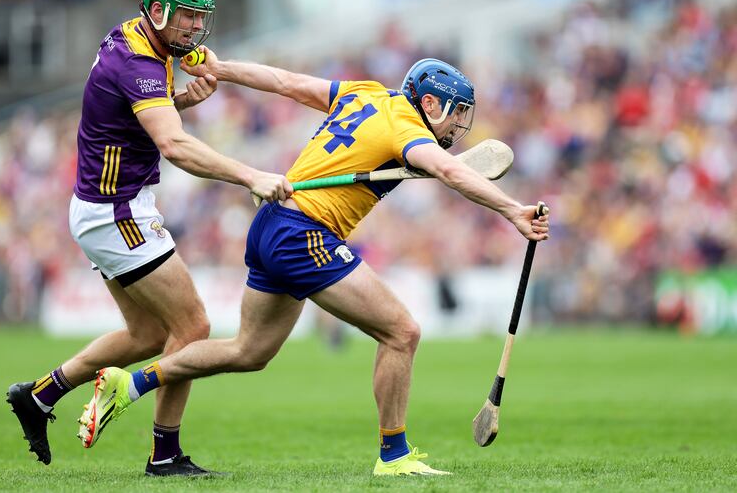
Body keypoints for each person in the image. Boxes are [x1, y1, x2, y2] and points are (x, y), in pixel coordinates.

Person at [77, 50, 550, 476]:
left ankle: (130, 384)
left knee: (249, 351)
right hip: (303, 233)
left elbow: (284, 81)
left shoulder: (366, 94)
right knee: (401, 332)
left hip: (271, 224)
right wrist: (513, 211)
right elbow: (449, 170)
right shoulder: (406, 127)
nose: (458, 128)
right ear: (431, 105)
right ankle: (395, 455)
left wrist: (222, 69)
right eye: (457, 116)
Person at [6, 0, 292, 477]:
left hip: (105, 206)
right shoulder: (139, 60)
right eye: (187, 17)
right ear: (157, 12)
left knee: (145, 335)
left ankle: (39, 396)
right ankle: (164, 455)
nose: (195, 29)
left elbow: (134, 114)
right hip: (118, 211)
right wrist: (251, 175)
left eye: (201, 18)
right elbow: (174, 145)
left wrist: (179, 101)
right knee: (194, 326)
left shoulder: (136, 38)